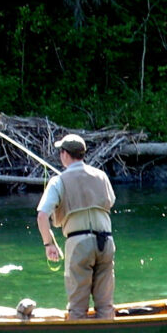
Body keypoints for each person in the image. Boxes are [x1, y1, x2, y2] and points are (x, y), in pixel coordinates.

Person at [36, 134, 117, 319]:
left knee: (78, 308)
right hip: (106, 242)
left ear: (65, 154)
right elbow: (110, 202)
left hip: (79, 244)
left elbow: (42, 216)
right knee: (105, 305)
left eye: (60, 152)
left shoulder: (58, 181)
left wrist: (49, 244)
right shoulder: (102, 176)